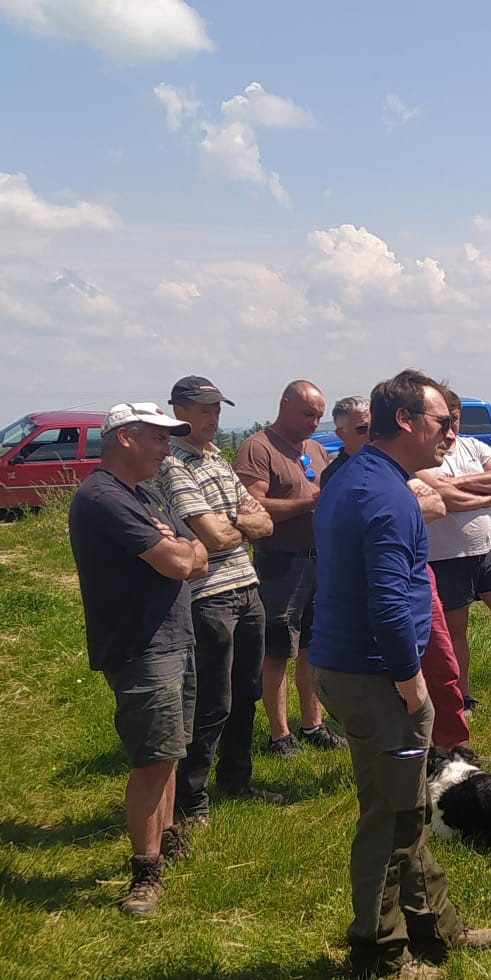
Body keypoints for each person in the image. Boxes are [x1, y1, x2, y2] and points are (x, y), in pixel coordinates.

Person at [309, 370, 491, 980]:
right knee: (391, 818)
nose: (452, 432)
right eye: (443, 421)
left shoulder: (357, 474)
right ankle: (378, 950)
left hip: (352, 667)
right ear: (405, 423)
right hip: (376, 676)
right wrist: (410, 679)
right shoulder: (388, 496)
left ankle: (435, 924)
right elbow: (388, 601)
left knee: (407, 807)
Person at [68, 404, 209, 915]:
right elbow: (178, 560)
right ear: (124, 438)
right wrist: (178, 551)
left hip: (173, 635)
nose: (165, 448)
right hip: (141, 646)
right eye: (157, 438)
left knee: (169, 749)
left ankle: (167, 835)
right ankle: (145, 871)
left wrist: (181, 550)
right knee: (151, 759)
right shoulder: (103, 497)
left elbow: (199, 553)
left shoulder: (145, 494)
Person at [157, 376, 283, 828]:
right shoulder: (172, 464)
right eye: (205, 409)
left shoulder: (216, 459)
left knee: (247, 691)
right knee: (213, 699)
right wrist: (239, 521)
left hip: (246, 587)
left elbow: (266, 522)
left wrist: (235, 524)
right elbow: (210, 536)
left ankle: (237, 779)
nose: (213, 418)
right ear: (178, 411)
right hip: (208, 594)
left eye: (217, 410)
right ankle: (191, 798)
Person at [324, 391, 471, 748]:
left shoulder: (394, 471)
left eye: (371, 427)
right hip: (385, 592)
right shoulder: (344, 477)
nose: (368, 434)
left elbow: (436, 504)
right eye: (361, 429)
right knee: (401, 678)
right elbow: (385, 597)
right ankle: (412, 753)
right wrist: (403, 510)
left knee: (442, 666)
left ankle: (452, 748)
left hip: (418, 577)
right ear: (341, 432)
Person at [233, 381, 345, 755]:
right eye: (307, 414)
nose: (314, 422)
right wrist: (305, 505)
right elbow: (251, 507)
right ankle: (279, 735)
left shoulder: (313, 449)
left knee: (312, 646)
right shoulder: (258, 448)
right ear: (284, 405)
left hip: (317, 561)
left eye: (319, 415)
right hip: (279, 562)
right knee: (278, 649)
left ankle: (312, 725)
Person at [421, 387, 491, 710]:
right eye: (443, 421)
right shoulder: (425, 454)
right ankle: (463, 696)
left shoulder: (474, 446)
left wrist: (453, 487)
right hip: (445, 554)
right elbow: (442, 500)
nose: (450, 428)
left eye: (454, 420)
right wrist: (483, 495)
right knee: (455, 628)